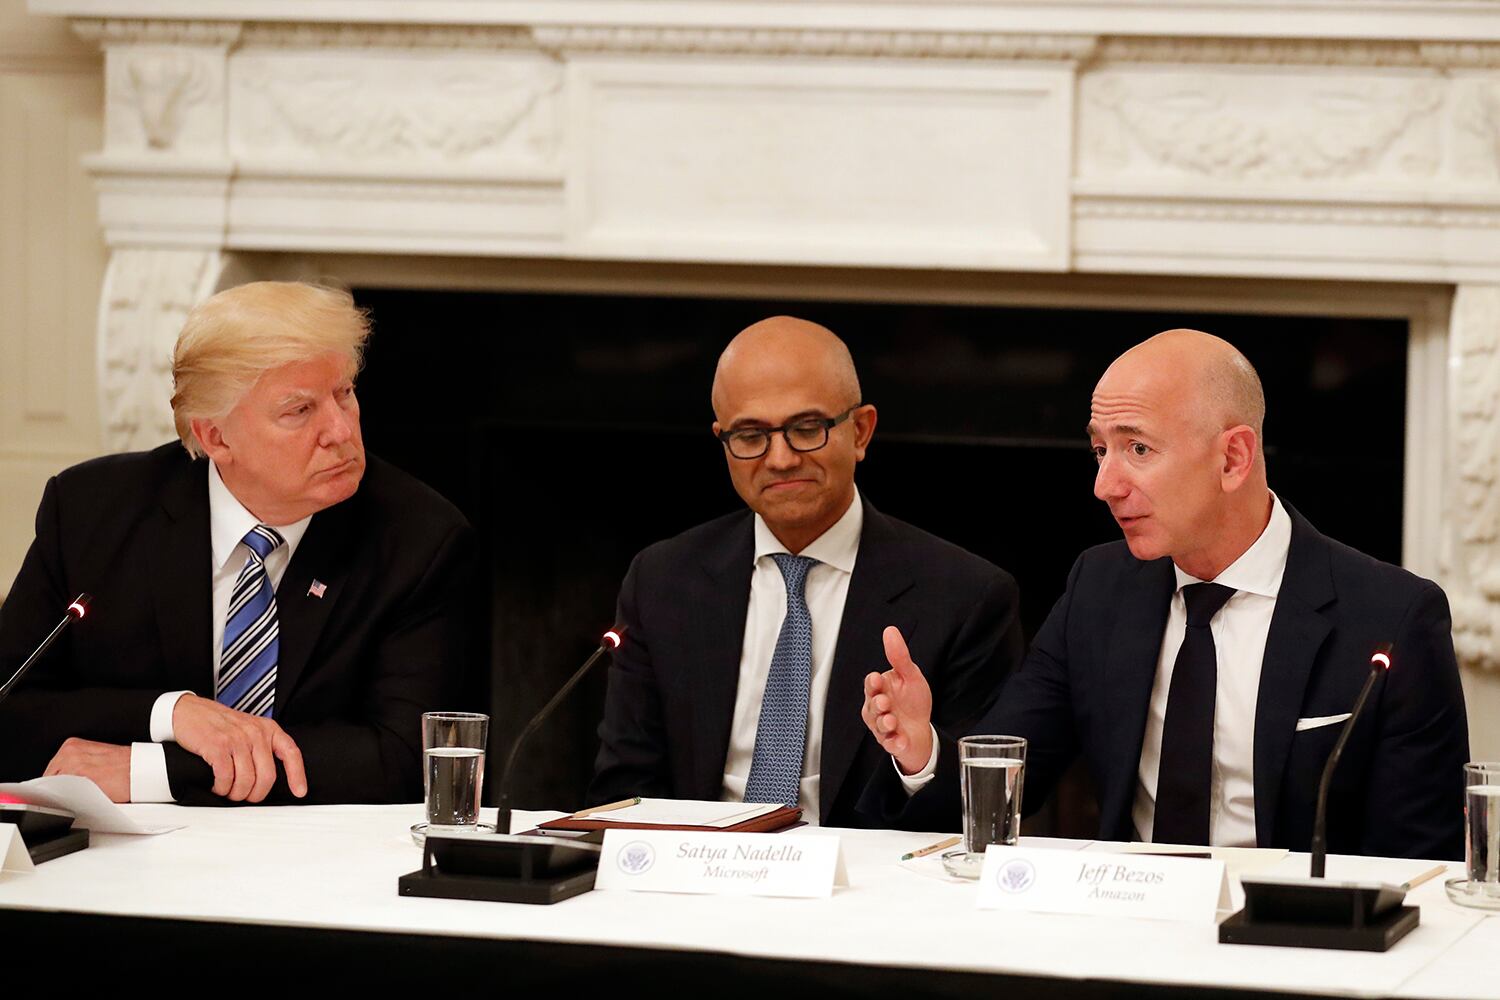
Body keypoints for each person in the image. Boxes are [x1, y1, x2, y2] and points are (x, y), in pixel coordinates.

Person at [861, 329, 1468, 858]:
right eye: (1100, 450)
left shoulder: (1392, 616)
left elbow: (1419, 862)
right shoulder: (1099, 589)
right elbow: (1009, 781)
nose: (1105, 485)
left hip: (1297, 947)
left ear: (1233, 457)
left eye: (1138, 449)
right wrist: (924, 754)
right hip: (1127, 926)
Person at [0, 281, 478, 805]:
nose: (340, 429)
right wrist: (171, 713)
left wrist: (153, 771)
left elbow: (408, 758)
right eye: (299, 411)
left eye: (344, 393)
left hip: (317, 863)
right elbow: (10, 707)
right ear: (215, 437)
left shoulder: (420, 538)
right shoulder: (92, 513)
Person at [590, 316, 1023, 826]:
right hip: (697, 876)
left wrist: (919, 756)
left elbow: (989, 812)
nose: (780, 458)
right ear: (722, 440)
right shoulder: (663, 579)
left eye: (806, 429)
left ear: (860, 431)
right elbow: (624, 786)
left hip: (864, 891)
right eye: (750, 435)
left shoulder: (965, 596)